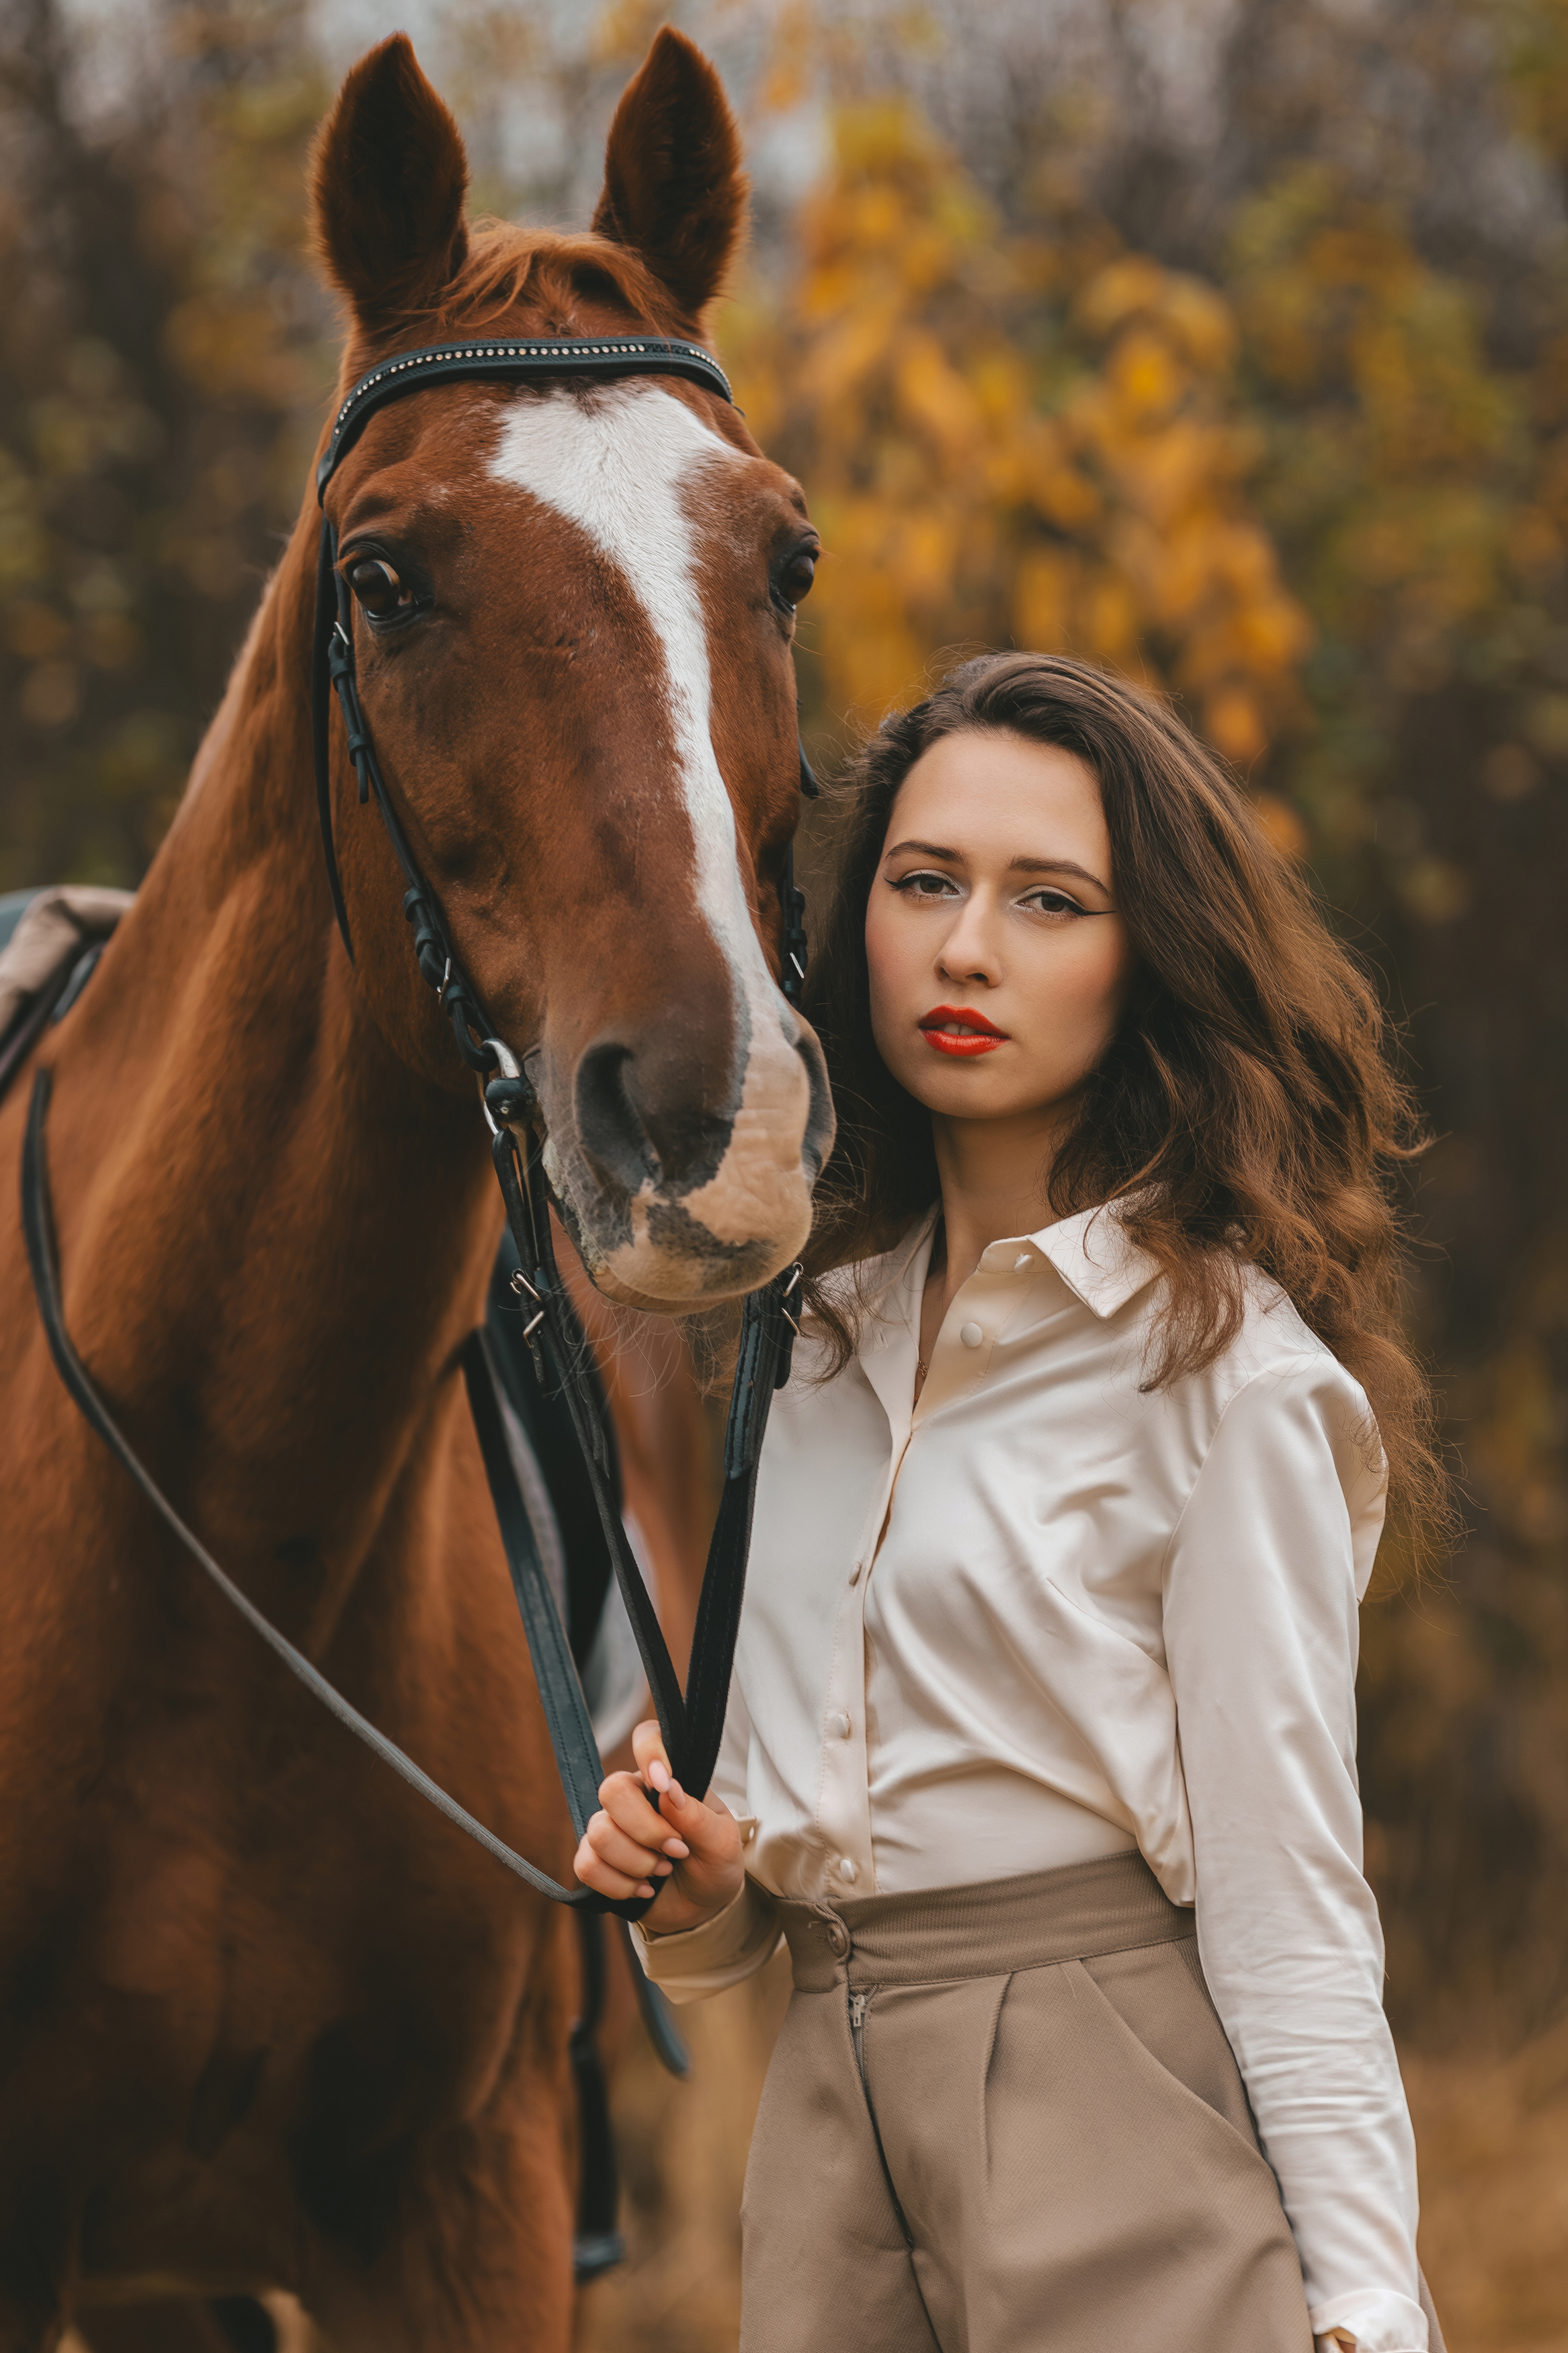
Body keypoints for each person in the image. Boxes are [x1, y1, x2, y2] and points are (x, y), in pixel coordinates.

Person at [573, 652, 1447, 2353]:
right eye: (925, 882)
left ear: (1148, 958)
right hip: (825, 2132)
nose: (968, 947)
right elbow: (765, 1866)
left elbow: (1288, 1890)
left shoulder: (1223, 1376)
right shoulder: (802, 1343)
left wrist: (1367, 2299)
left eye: (1050, 899)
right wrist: (694, 1889)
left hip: (1106, 2111)